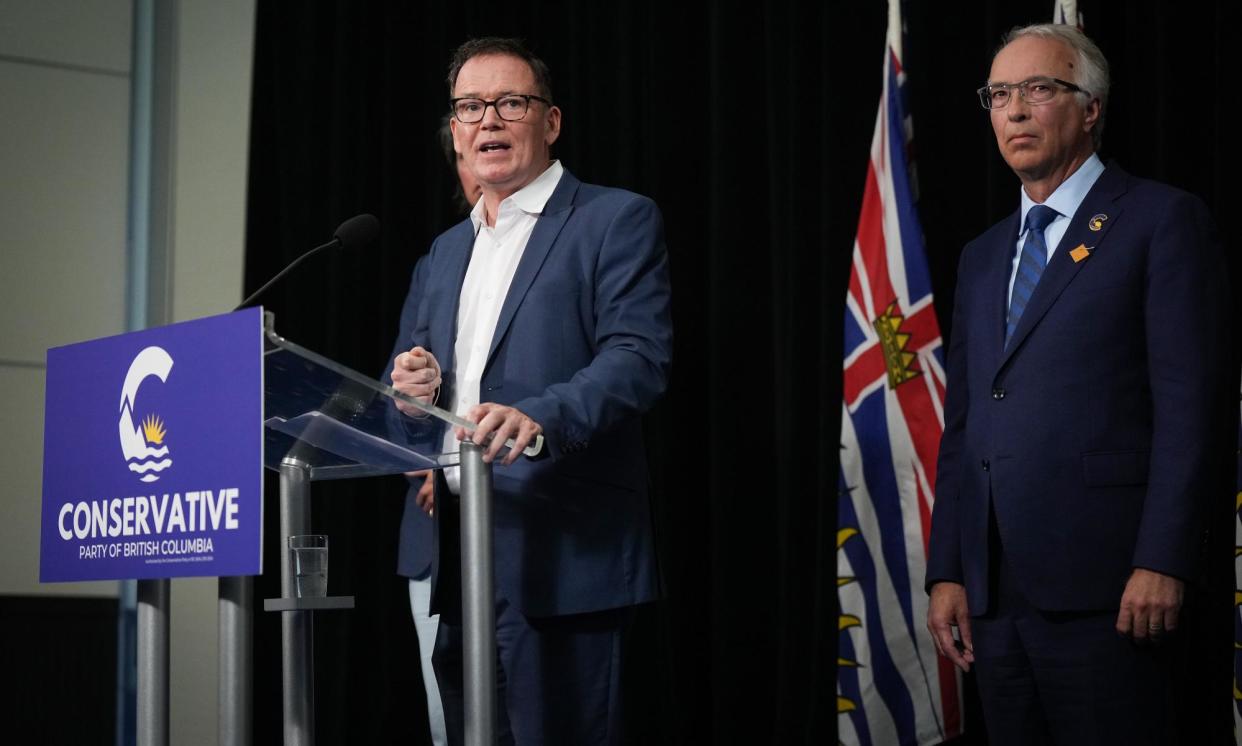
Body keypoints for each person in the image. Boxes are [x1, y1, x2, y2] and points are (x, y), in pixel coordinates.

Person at [924, 23, 1230, 745]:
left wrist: (1162, 557)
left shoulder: (1160, 220)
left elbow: (1193, 410)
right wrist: (950, 568)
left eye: (1038, 89)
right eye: (999, 94)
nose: (1016, 111)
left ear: (1090, 107)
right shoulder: (983, 253)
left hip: (1113, 586)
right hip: (996, 594)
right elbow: (966, 421)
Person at [388, 37, 672, 744]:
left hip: (564, 553)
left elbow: (638, 358)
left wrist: (538, 418)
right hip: (458, 556)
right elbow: (412, 388)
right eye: (469, 107)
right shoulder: (444, 252)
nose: (488, 120)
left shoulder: (614, 219)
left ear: (550, 122)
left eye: (509, 102)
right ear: (454, 130)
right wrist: (412, 388)